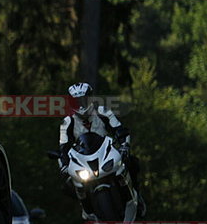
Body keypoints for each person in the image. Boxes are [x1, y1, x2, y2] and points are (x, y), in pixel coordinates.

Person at [59, 82, 145, 216]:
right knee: (67, 184)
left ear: (91, 99)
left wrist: (124, 145)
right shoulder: (67, 122)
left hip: (106, 152)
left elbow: (119, 129)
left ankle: (137, 195)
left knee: (132, 162)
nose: (81, 105)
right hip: (83, 159)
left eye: (84, 100)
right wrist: (64, 162)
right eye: (77, 102)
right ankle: (86, 209)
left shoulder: (103, 112)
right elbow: (63, 145)